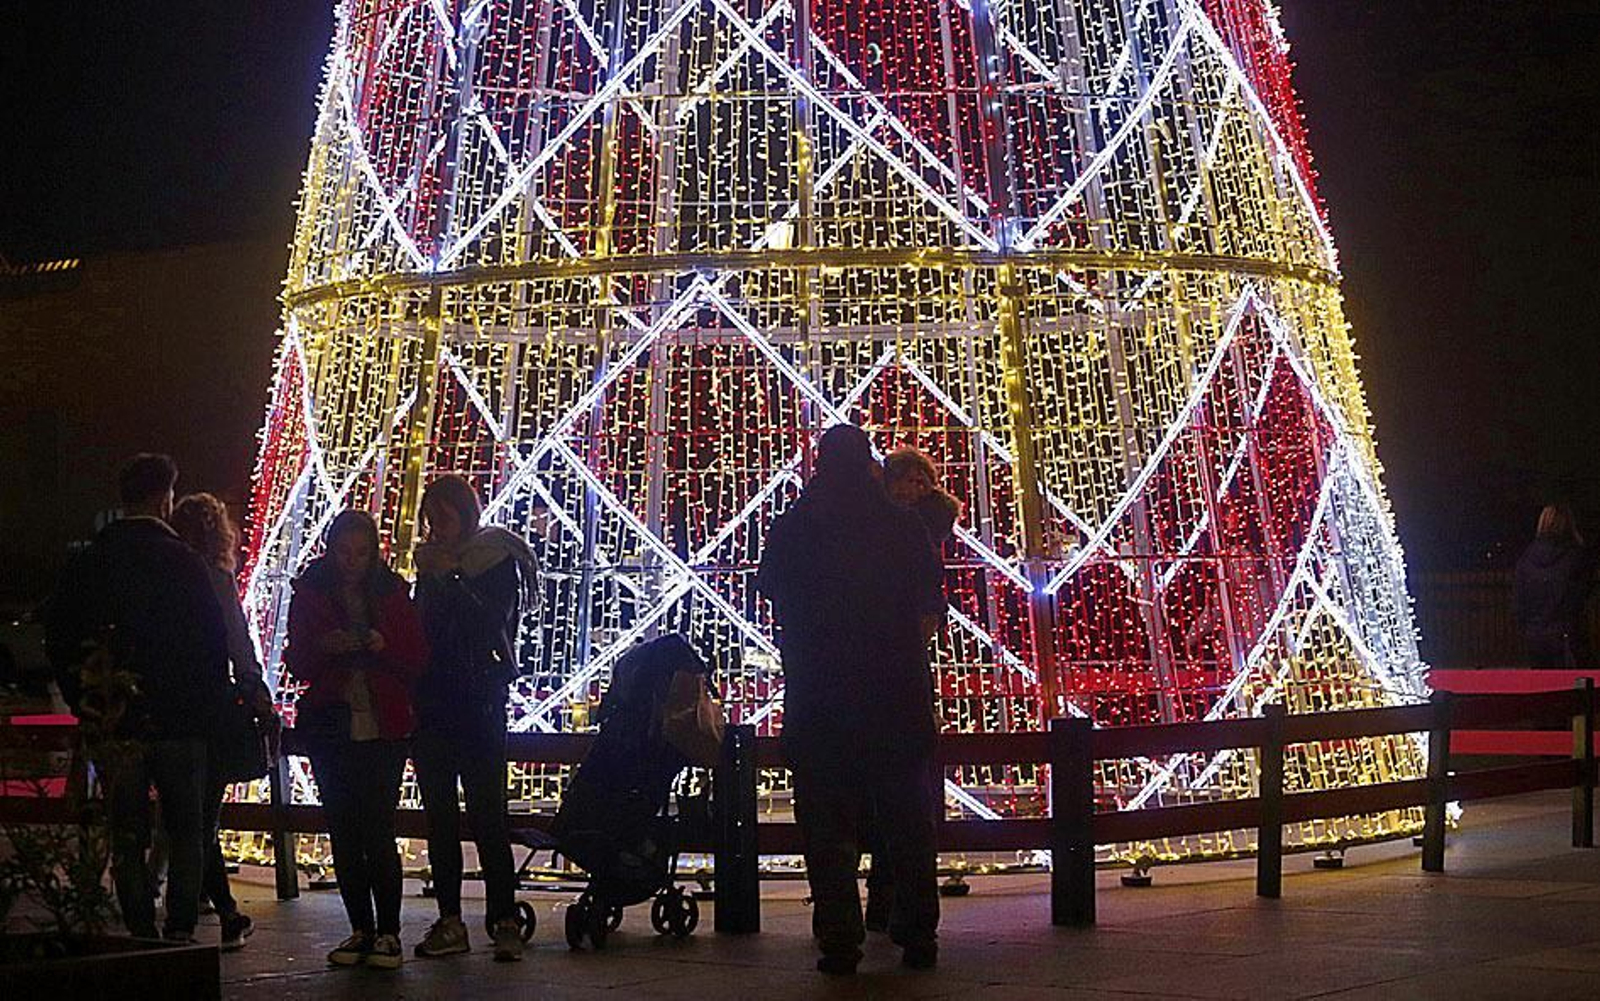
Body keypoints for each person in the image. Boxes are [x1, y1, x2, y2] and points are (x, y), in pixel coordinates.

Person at [756, 425, 946, 975]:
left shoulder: (797, 523)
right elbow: (929, 603)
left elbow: (771, 590)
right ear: (868, 465)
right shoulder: (900, 524)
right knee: (908, 820)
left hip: (821, 695)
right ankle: (918, 932)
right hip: (895, 693)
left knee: (826, 825)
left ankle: (839, 937)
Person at [43, 454, 231, 942]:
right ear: (165, 498)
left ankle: (140, 927)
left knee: (126, 831)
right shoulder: (184, 563)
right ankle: (180, 928)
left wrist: (87, 700)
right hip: (180, 720)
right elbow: (212, 643)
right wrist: (210, 708)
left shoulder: (90, 562)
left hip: (116, 717)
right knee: (186, 829)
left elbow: (59, 636)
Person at [285, 510, 427, 970]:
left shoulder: (392, 594)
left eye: (361, 553)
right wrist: (324, 646)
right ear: (331, 550)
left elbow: (415, 655)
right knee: (345, 831)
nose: (352, 561)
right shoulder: (311, 593)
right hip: (333, 722)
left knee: (378, 829)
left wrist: (383, 644)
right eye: (344, 552)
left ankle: (388, 931)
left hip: (382, 722)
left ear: (373, 554)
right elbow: (297, 660)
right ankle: (361, 928)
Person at [410, 475, 538, 963]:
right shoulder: (430, 566)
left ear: (466, 514)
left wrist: (451, 577)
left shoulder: (494, 556)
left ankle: (503, 918)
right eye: (431, 518)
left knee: (488, 813)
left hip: (479, 701)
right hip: (433, 703)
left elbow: (488, 623)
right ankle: (450, 919)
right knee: (440, 817)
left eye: (445, 516)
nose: (437, 527)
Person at [170, 492, 281, 951]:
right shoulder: (215, 580)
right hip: (211, 708)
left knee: (189, 816)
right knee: (202, 818)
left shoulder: (168, 577)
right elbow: (237, 640)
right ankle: (218, 913)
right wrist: (254, 687)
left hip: (171, 707)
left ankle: (213, 908)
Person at [1514, 504, 1598, 668]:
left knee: (1543, 681)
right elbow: (1582, 594)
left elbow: (1519, 603)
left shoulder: (1527, 558)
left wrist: (1530, 628)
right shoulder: (1577, 557)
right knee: (1575, 681)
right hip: (1568, 636)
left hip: (1536, 637)